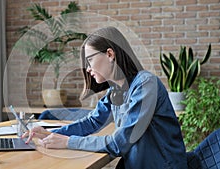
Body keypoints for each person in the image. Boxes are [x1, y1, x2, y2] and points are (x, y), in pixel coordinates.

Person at [23, 26, 188, 168]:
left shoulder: (146, 84)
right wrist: (50, 134)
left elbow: (120, 143)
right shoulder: (116, 91)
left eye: (90, 60)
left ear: (110, 54)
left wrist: (67, 142)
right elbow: (92, 122)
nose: (87, 68)